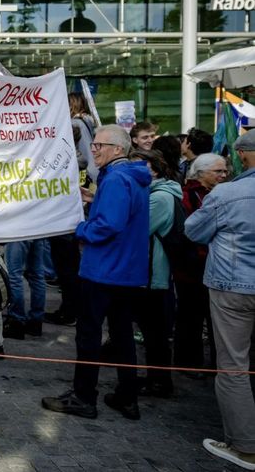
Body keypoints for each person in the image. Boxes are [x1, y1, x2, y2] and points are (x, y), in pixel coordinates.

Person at [42, 125, 151, 421]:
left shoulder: (116, 179)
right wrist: (94, 200)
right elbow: (119, 216)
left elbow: (109, 226)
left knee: (89, 335)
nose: (94, 150)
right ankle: (127, 396)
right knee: (121, 335)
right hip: (127, 272)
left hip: (104, 270)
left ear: (118, 149)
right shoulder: (130, 176)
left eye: (99, 145)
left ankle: (83, 397)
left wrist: (80, 229)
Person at [184, 131, 255, 470]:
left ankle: (245, 446)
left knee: (233, 367)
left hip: (234, 286)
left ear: (243, 156)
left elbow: (194, 231)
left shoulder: (228, 193)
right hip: (235, 284)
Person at [128, 148, 181, 398]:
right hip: (149, 272)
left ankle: (160, 382)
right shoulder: (154, 193)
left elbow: (138, 229)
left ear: (155, 169)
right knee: (151, 332)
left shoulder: (160, 197)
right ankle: (155, 379)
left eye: (140, 166)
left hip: (155, 275)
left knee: (156, 333)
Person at [175, 153, 228, 370]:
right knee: (191, 317)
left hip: (213, 265)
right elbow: (189, 231)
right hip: (192, 267)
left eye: (225, 171)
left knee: (215, 320)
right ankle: (189, 363)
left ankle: (217, 364)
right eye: (218, 171)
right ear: (201, 173)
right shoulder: (189, 195)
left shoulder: (218, 193)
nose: (223, 175)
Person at [3, 237, 50, 339]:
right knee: (37, 276)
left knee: (14, 276)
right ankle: (36, 322)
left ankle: (16, 321)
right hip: (37, 229)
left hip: (18, 230)